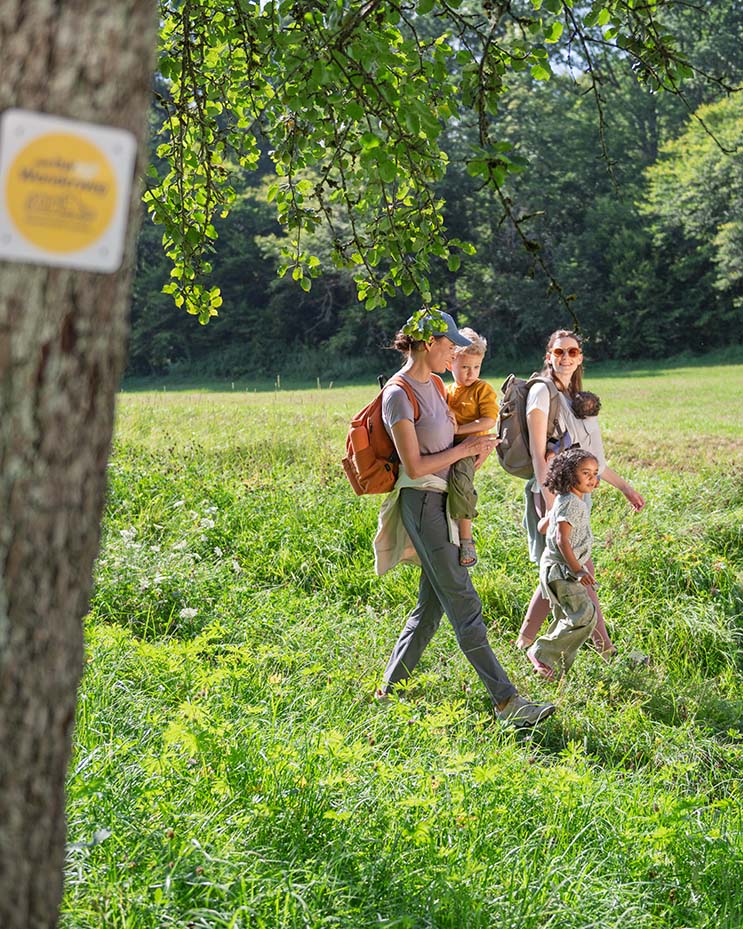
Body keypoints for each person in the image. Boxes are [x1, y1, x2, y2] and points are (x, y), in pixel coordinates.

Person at [373, 310, 555, 727]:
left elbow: (450, 449)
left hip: (443, 504)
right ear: (426, 343)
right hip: (420, 503)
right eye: (448, 343)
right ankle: (507, 703)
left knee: (431, 607)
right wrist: (464, 447)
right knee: (464, 602)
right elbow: (416, 466)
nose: (454, 350)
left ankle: (388, 691)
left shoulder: (436, 385)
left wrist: (477, 452)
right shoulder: (399, 394)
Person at [514, 329, 645, 657]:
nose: (565, 358)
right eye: (559, 352)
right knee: (579, 570)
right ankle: (606, 650)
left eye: (572, 352)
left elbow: (593, 460)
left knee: (558, 570)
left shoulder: (577, 399)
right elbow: (537, 454)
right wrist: (551, 504)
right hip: (555, 496)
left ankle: (524, 642)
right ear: (549, 356)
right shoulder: (542, 393)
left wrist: (626, 488)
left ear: (580, 357)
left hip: (576, 497)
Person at [527, 448, 600, 679]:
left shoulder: (563, 499)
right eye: (585, 473)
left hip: (552, 569)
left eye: (595, 473)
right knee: (585, 615)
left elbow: (543, 527)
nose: (592, 478)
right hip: (564, 571)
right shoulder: (573, 504)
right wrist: (578, 569)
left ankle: (550, 668)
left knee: (564, 617)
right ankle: (541, 654)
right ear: (570, 475)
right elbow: (561, 539)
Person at [445, 328, 500, 568]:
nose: (471, 373)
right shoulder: (447, 391)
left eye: (476, 367)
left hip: (471, 444)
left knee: (461, 480)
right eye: (465, 367)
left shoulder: (482, 389)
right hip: (449, 443)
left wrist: (458, 431)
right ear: (451, 365)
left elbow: (489, 420)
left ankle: (466, 537)